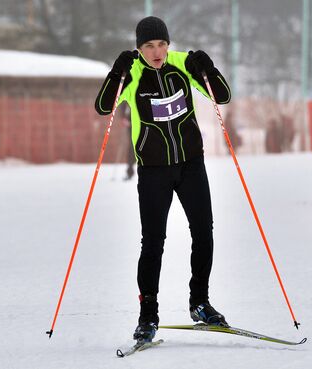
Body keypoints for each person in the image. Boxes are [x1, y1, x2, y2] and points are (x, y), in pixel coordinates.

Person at [94, 16, 231, 343]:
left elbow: (221, 96)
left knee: (203, 231)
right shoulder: (134, 72)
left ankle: (200, 303)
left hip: (190, 165)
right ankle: (148, 315)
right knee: (153, 241)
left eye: (161, 45)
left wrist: (208, 69)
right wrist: (116, 72)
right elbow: (103, 106)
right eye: (148, 46)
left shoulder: (183, 65)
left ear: (168, 44)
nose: (156, 52)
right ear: (139, 48)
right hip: (154, 170)